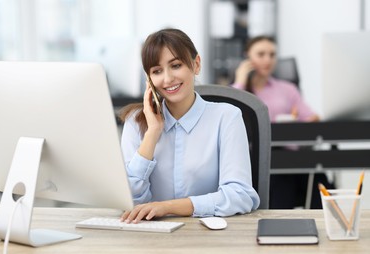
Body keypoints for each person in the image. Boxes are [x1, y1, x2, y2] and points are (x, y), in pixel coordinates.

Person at [118, 28, 259, 223]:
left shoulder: (227, 117)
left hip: (210, 237)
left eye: (175, 65)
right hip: (151, 239)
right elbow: (129, 202)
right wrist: (152, 133)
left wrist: (167, 207)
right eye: (157, 71)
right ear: (149, 80)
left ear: (196, 64)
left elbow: (240, 196)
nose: (167, 79)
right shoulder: (136, 122)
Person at [232, 35, 334, 209]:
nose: (268, 60)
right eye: (261, 54)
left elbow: (310, 117)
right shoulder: (240, 90)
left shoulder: (287, 89)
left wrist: (306, 120)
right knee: (280, 178)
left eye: (272, 54)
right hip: (259, 160)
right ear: (247, 57)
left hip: (292, 156)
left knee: (320, 181)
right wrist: (241, 79)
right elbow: (231, 111)